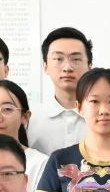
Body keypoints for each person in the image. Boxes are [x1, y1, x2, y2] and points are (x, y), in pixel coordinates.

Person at [26, 27, 92, 155]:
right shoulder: (31, 119)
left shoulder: (106, 116)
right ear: (45, 66)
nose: (67, 68)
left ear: (90, 66)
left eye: (76, 59)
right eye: (58, 59)